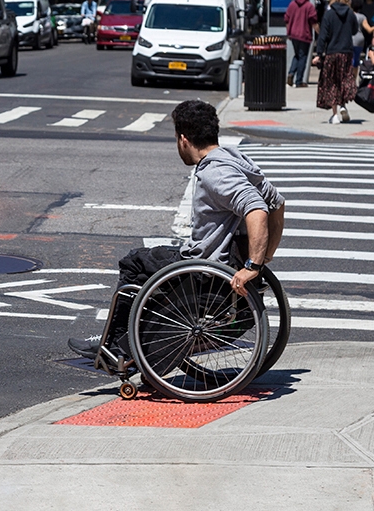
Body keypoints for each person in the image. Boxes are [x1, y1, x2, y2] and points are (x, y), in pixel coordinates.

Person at [68, 100, 286, 359]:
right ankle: (131, 338)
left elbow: (257, 209)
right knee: (152, 264)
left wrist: (253, 266)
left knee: (134, 263)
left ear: (183, 139)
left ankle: (114, 345)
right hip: (221, 264)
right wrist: (266, 254)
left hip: (206, 271)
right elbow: (277, 203)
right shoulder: (236, 160)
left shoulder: (215, 172)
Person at [311, 0, 358, 124]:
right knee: (344, 78)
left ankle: (335, 114)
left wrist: (319, 54)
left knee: (332, 82)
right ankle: (343, 104)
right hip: (346, 51)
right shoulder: (350, 14)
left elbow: (323, 36)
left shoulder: (329, 14)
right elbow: (355, 30)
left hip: (332, 52)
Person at [284, 0, 319, 88]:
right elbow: (314, 21)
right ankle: (299, 81)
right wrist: (319, 34)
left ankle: (291, 73)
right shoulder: (309, 6)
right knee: (303, 57)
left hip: (294, 34)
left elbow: (286, 19)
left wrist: (289, 32)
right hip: (305, 35)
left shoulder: (292, 5)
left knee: (297, 55)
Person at [351, 0, 367, 79]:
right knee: (356, 60)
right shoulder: (362, 17)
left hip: (349, 39)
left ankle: (348, 79)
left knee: (348, 59)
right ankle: (354, 79)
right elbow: (368, 29)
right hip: (359, 39)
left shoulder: (348, 15)